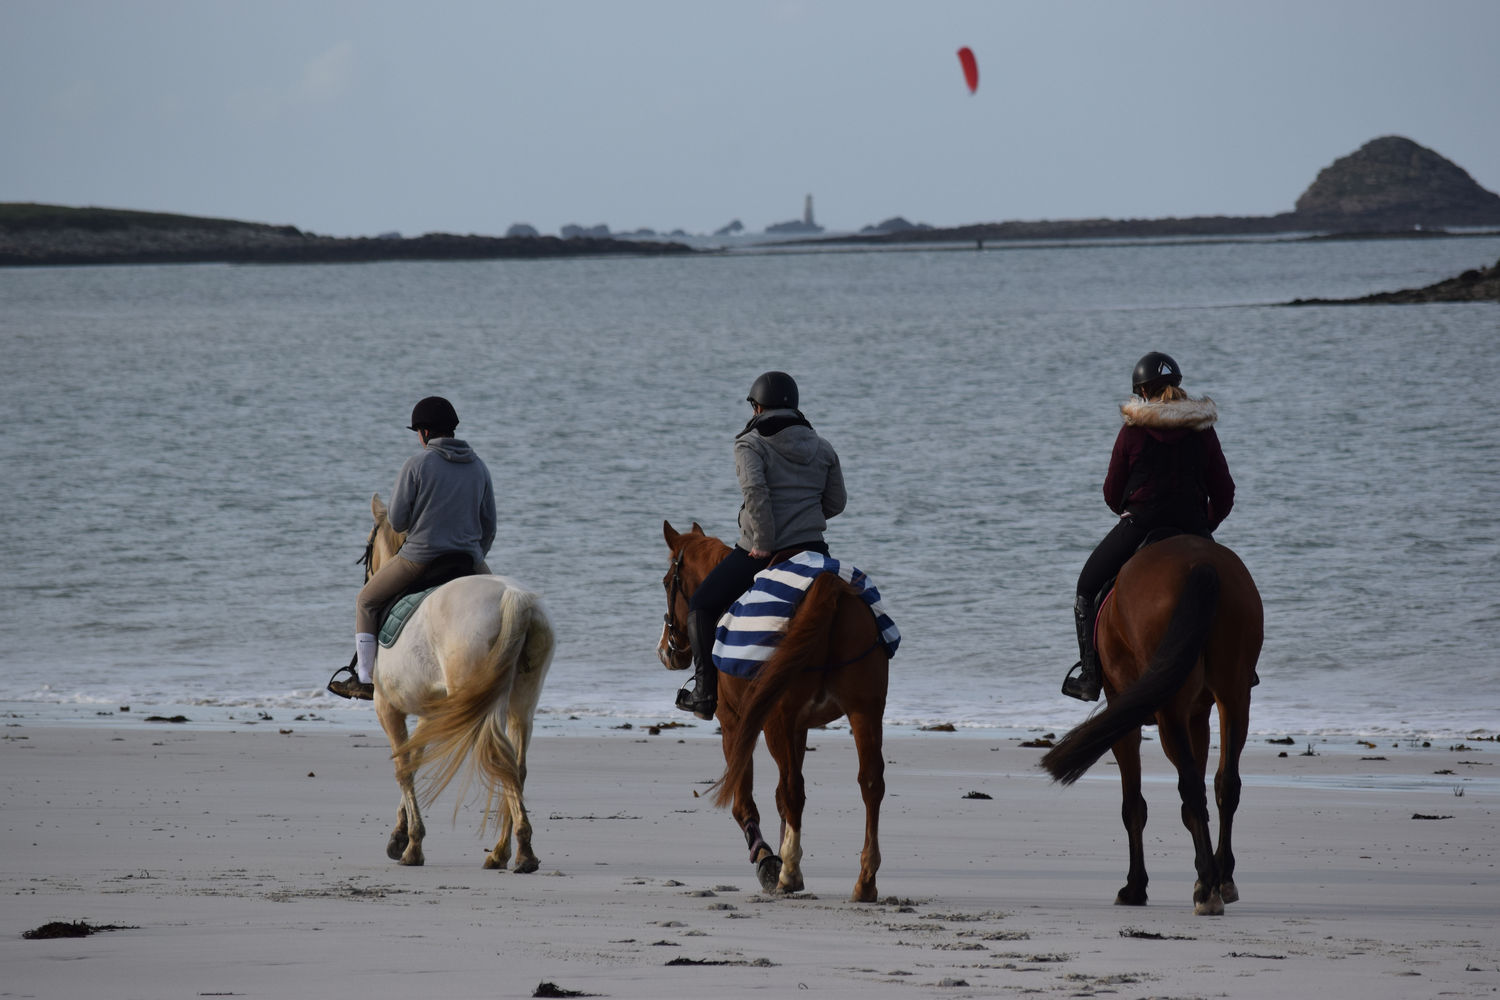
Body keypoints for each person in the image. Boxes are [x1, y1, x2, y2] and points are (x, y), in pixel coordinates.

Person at [1062, 353, 1235, 701]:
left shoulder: (1133, 431)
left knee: (1087, 587)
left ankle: (1090, 675)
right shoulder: (1202, 429)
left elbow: (1112, 492)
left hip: (1141, 525)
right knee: (1230, 590)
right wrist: (1204, 524)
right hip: (1192, 528)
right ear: (1178, 386)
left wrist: (1129, 512)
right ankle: (1241, 667)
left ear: (1142, 392)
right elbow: (1225, 492)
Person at [675, 371, 847, 719]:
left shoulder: (749, 444)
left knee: (702, 605)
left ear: (757, 408)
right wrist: (805, 520)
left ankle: (705, 694)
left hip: (760, 550)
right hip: (814, 551)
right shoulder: (823, 447)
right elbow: (837, 502)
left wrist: (764, 543)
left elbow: (756, 494)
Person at [327, 395, 496, 700]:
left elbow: (399, 520)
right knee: (499, 605)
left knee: (366, 601)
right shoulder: (479, 467)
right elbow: (489, 527)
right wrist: (473, 553)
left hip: (421, 559)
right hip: (469, 561)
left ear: (424, 433)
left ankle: (364, 678)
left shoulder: (416, 465)